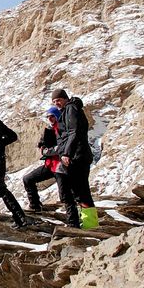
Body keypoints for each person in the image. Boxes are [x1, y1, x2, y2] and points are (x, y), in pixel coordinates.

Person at [46, 89, 95, 228]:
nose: (57, 103)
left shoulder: (71, 109)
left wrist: (67, 153)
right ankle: (89, 223)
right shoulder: (70, 109)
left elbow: (73, 132)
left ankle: (90, 225)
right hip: (78, 155)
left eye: (59, 100)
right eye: (54, 102)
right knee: (81, 191)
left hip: (77, 156)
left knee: (81, 192)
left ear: (65, 98)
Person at [21, 106, 62, 212]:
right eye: (48, 117)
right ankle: (34, 206)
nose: (50, 119)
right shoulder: (50, 129)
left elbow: (62, 147)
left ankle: (73, 221)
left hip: (61, 166)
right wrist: (42, 144)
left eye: (52, 116)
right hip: (51, 165)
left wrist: (47, 151)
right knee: (28, 179)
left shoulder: (62, 128)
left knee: (65, 195)